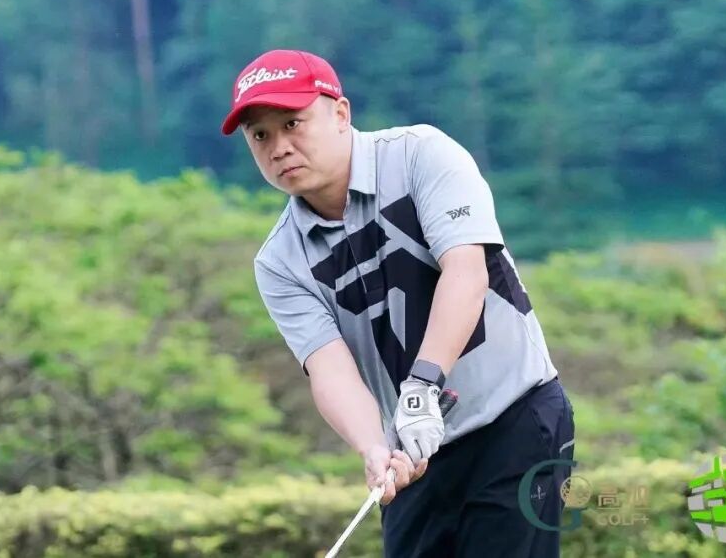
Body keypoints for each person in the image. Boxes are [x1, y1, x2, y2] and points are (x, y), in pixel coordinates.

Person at [221, 48, 575, 557]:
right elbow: (330, 369)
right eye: (260, 135)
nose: (279, 147)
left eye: (293, 123)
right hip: (412, 456)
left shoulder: (421, 155)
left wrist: (422, 386)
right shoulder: (279, 261)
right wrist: (373, 447)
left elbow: (466, 271)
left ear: (340, 113)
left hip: (513, 418)